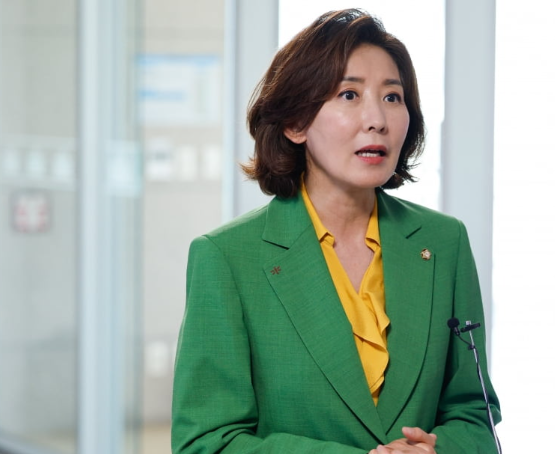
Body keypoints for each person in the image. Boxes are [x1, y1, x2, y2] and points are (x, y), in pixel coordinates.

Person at [172, 8, 501, 454]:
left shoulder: (444, 242)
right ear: (296, 123)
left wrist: (438, 449)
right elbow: (207, 442)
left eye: (393, 97)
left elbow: (475, 414)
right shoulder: (226, 258)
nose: (377, 119)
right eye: (349, 94)